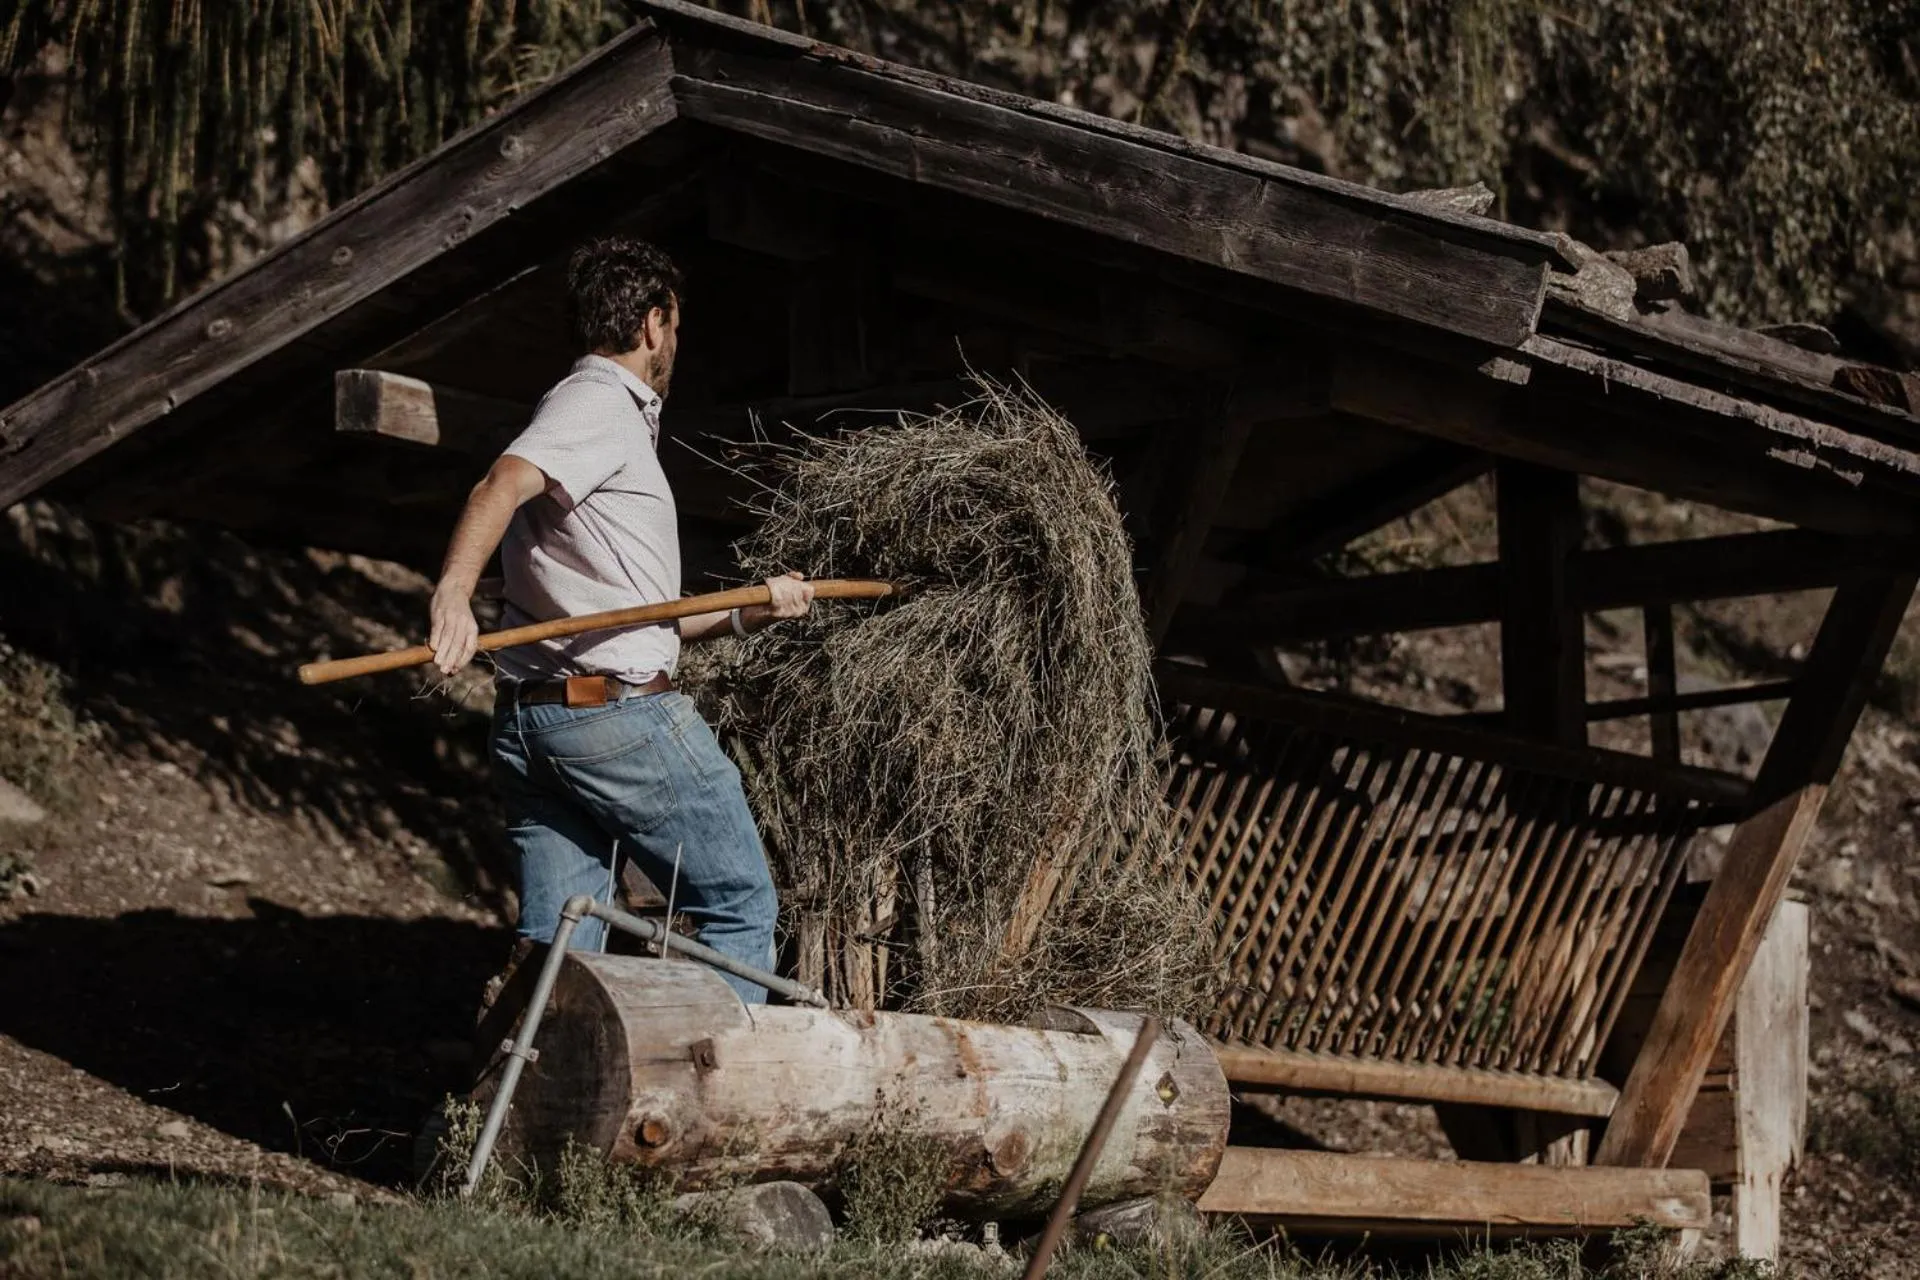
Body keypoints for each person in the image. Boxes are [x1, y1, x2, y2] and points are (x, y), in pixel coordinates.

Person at [425, 235, 811, 1004]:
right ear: (653, 323)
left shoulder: (593, 416)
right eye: (675, 324)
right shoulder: (597, 402)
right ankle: (702, 1108)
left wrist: (752, 610)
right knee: (738, 909)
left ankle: (517, 1116)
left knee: (560, 946)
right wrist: (452, 592)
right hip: (618, 719)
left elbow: (635, 620)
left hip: (538, 723)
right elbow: (498, 484)